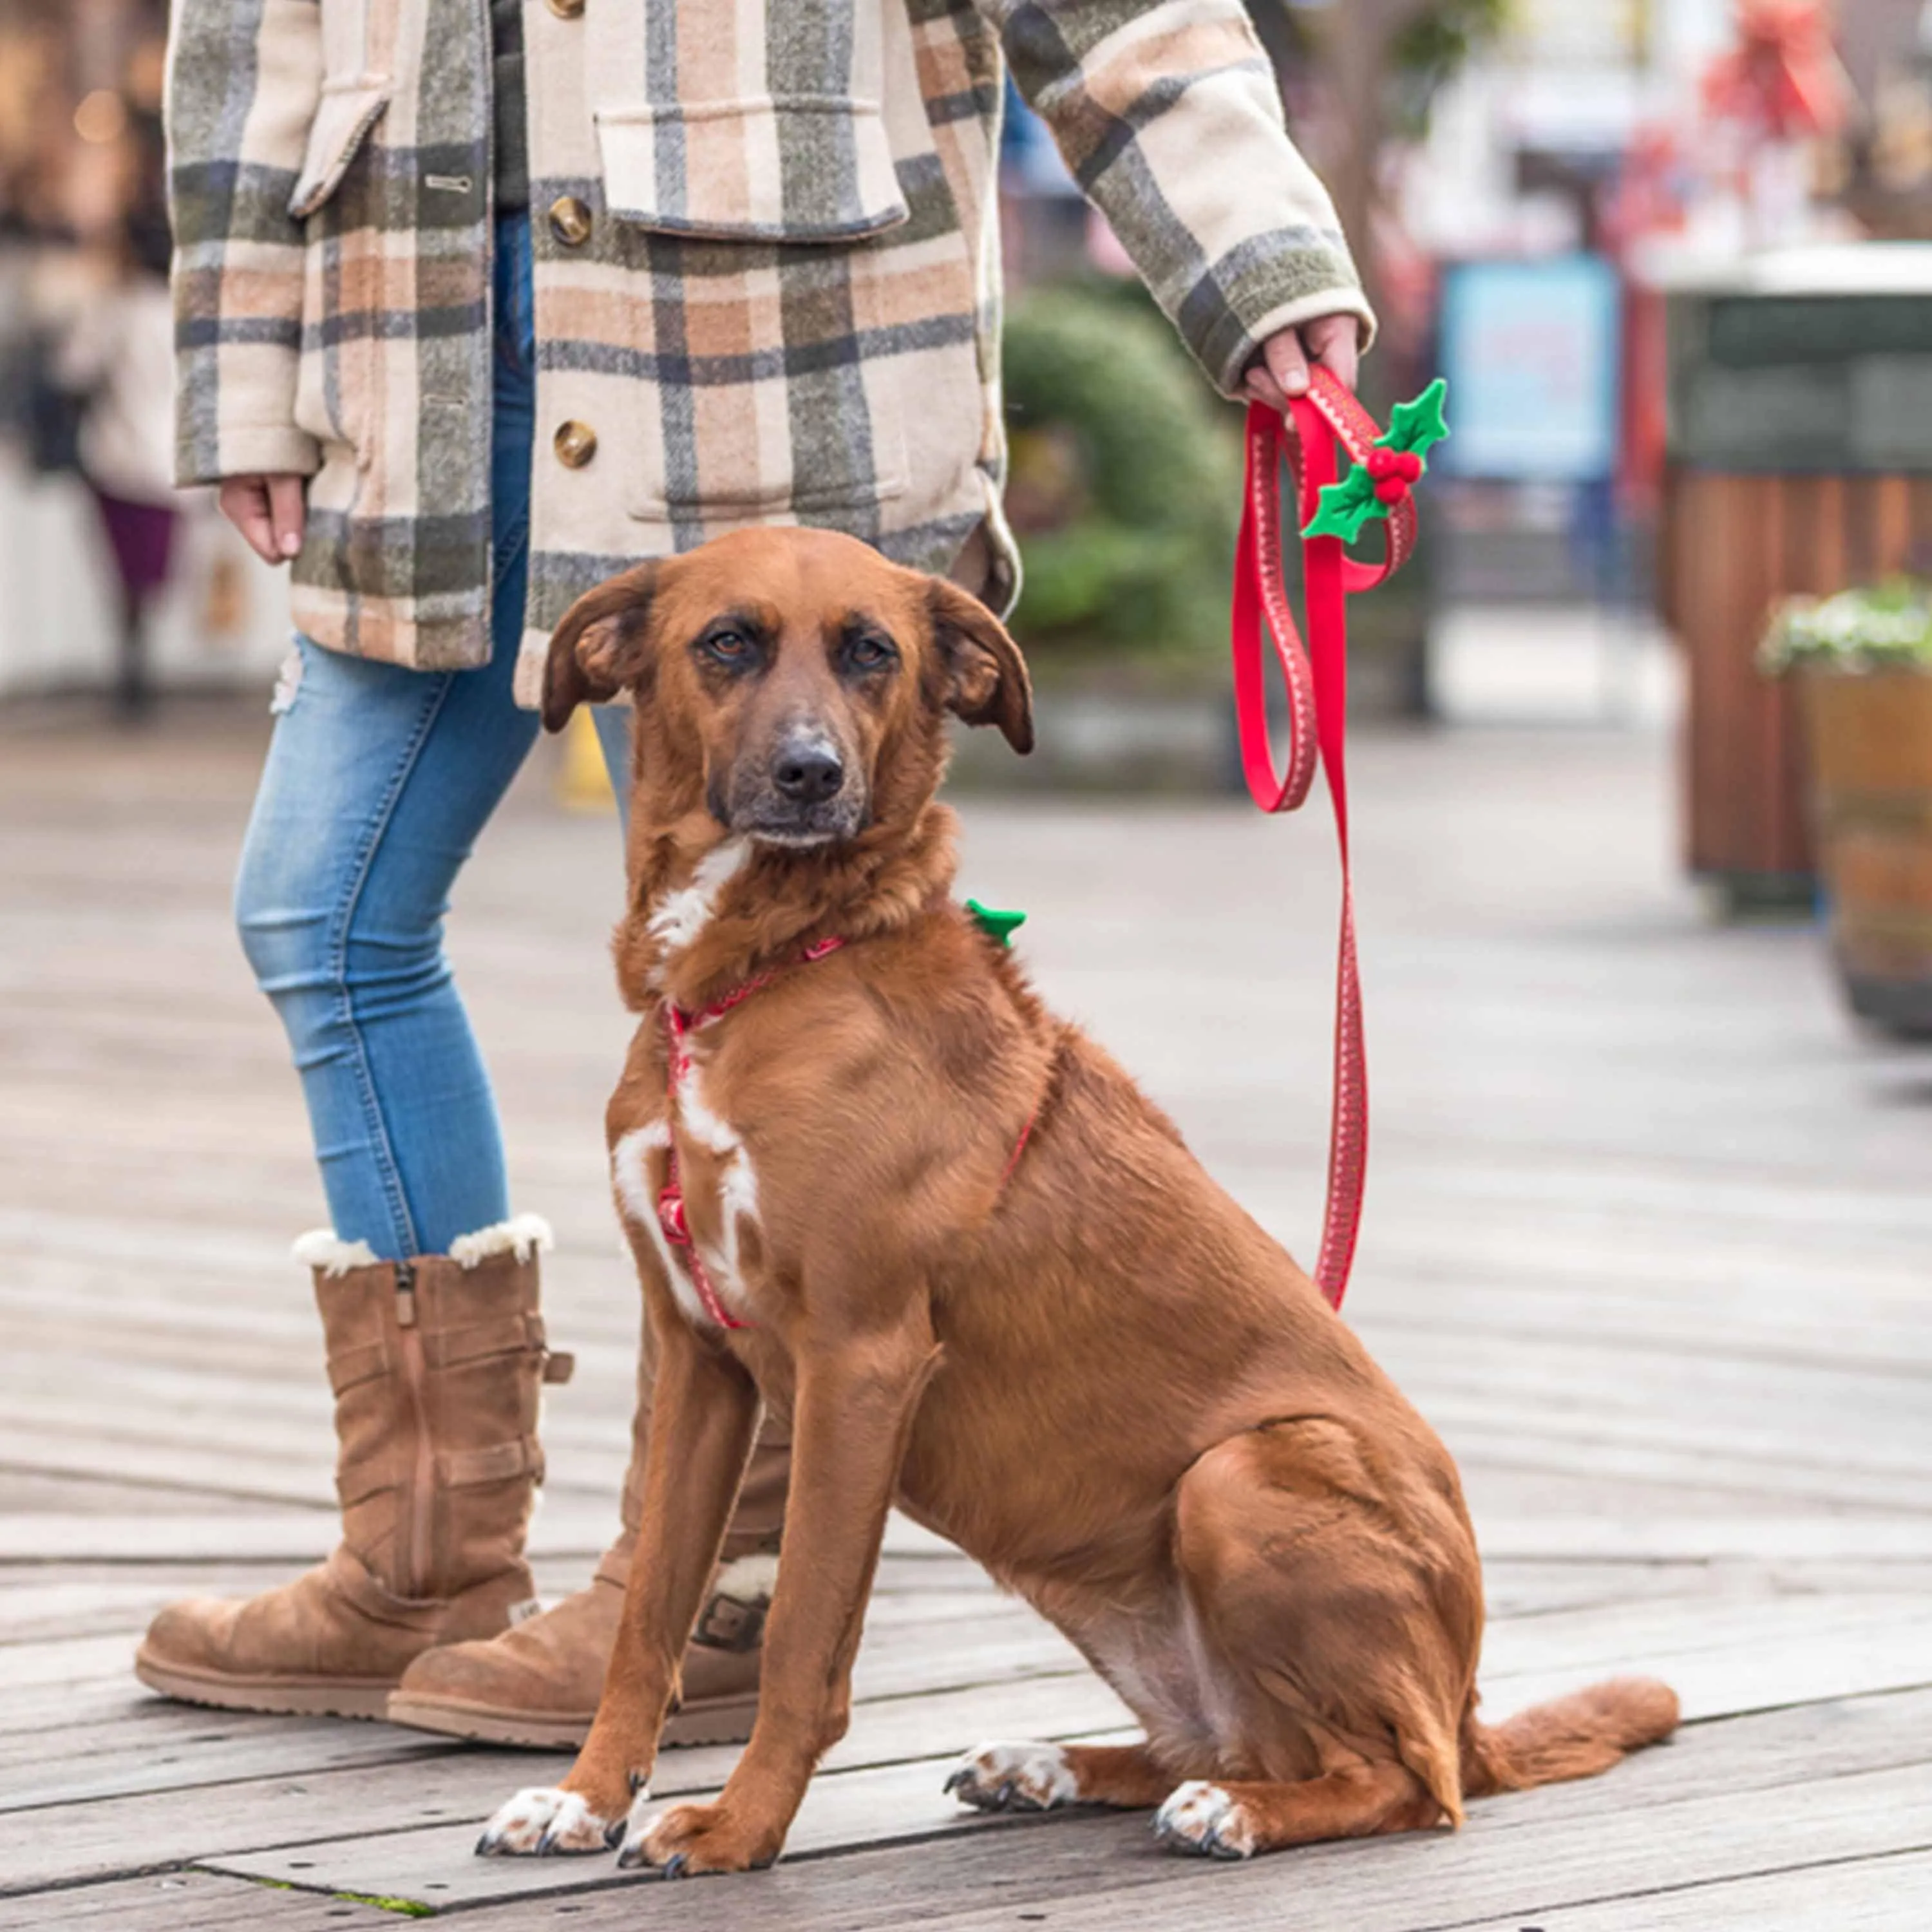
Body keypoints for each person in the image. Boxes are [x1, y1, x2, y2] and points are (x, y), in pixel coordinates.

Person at [136, 0, 1374, 1748]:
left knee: (825, 1012)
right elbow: (248, 39)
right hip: (412, 351)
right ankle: (425, 1555)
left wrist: (1256, 260)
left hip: (769, 353)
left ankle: (721, 1594)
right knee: (321, 908)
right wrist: (249, 366)